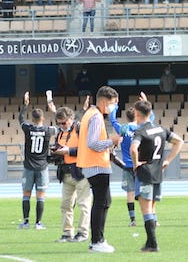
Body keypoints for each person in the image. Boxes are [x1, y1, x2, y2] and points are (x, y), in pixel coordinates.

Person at [130, 99, 184, 252]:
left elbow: (134, 149)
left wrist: (135, 164)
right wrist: (168, 160)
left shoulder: (140, 131)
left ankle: (153, 244)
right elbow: (179, 141)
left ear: (138, 114)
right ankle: (149, 243)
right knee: (151, 209)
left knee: (146, 210)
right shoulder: (161, 128)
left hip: (145, 172)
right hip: (158, 173)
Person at [77, 86, 122, 253]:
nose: (114, 107)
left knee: (105, 201)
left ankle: (98, 238)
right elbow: (93, 143)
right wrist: (112, 141)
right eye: (112, 103)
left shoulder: (90, 114)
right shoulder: (96, 116)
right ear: (103, 101)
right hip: (96, 164)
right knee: (101, 202)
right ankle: (97, 241)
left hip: (92, 164)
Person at [51, 94, 91, 243]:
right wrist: (56, 152)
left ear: (71, 119)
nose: (62, 125)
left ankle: (83, 233)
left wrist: (68, 151)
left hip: (81, 172)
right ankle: (67, 233)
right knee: (65, 205)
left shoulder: (80, 129)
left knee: (83, 204)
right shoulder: (61, 133)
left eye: (64, 122)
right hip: (66, 173)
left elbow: (86, 149)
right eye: (59, 123)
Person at [108, 92, 153, 227]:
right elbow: (151, 118)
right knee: (145, 192)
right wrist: (146, 101)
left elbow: (112, 120)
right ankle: (150, 217)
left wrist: (115, 106)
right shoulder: (142, 127)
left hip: (127, 165)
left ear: (127, 118)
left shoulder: (124, 128)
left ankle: (132, 220)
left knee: (130, 192)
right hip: (141, 164)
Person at [18, 91, 56, 230]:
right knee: (40, 196)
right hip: (42, 167)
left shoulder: (28, 128)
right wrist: (53, 109)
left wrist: (25, 105)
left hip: (28, 167)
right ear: (43, 118)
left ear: (32, 119)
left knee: (26, 195)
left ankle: (26, 222)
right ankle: (38, 223)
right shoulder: (48, 130)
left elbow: (20, 119)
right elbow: (63, 127)